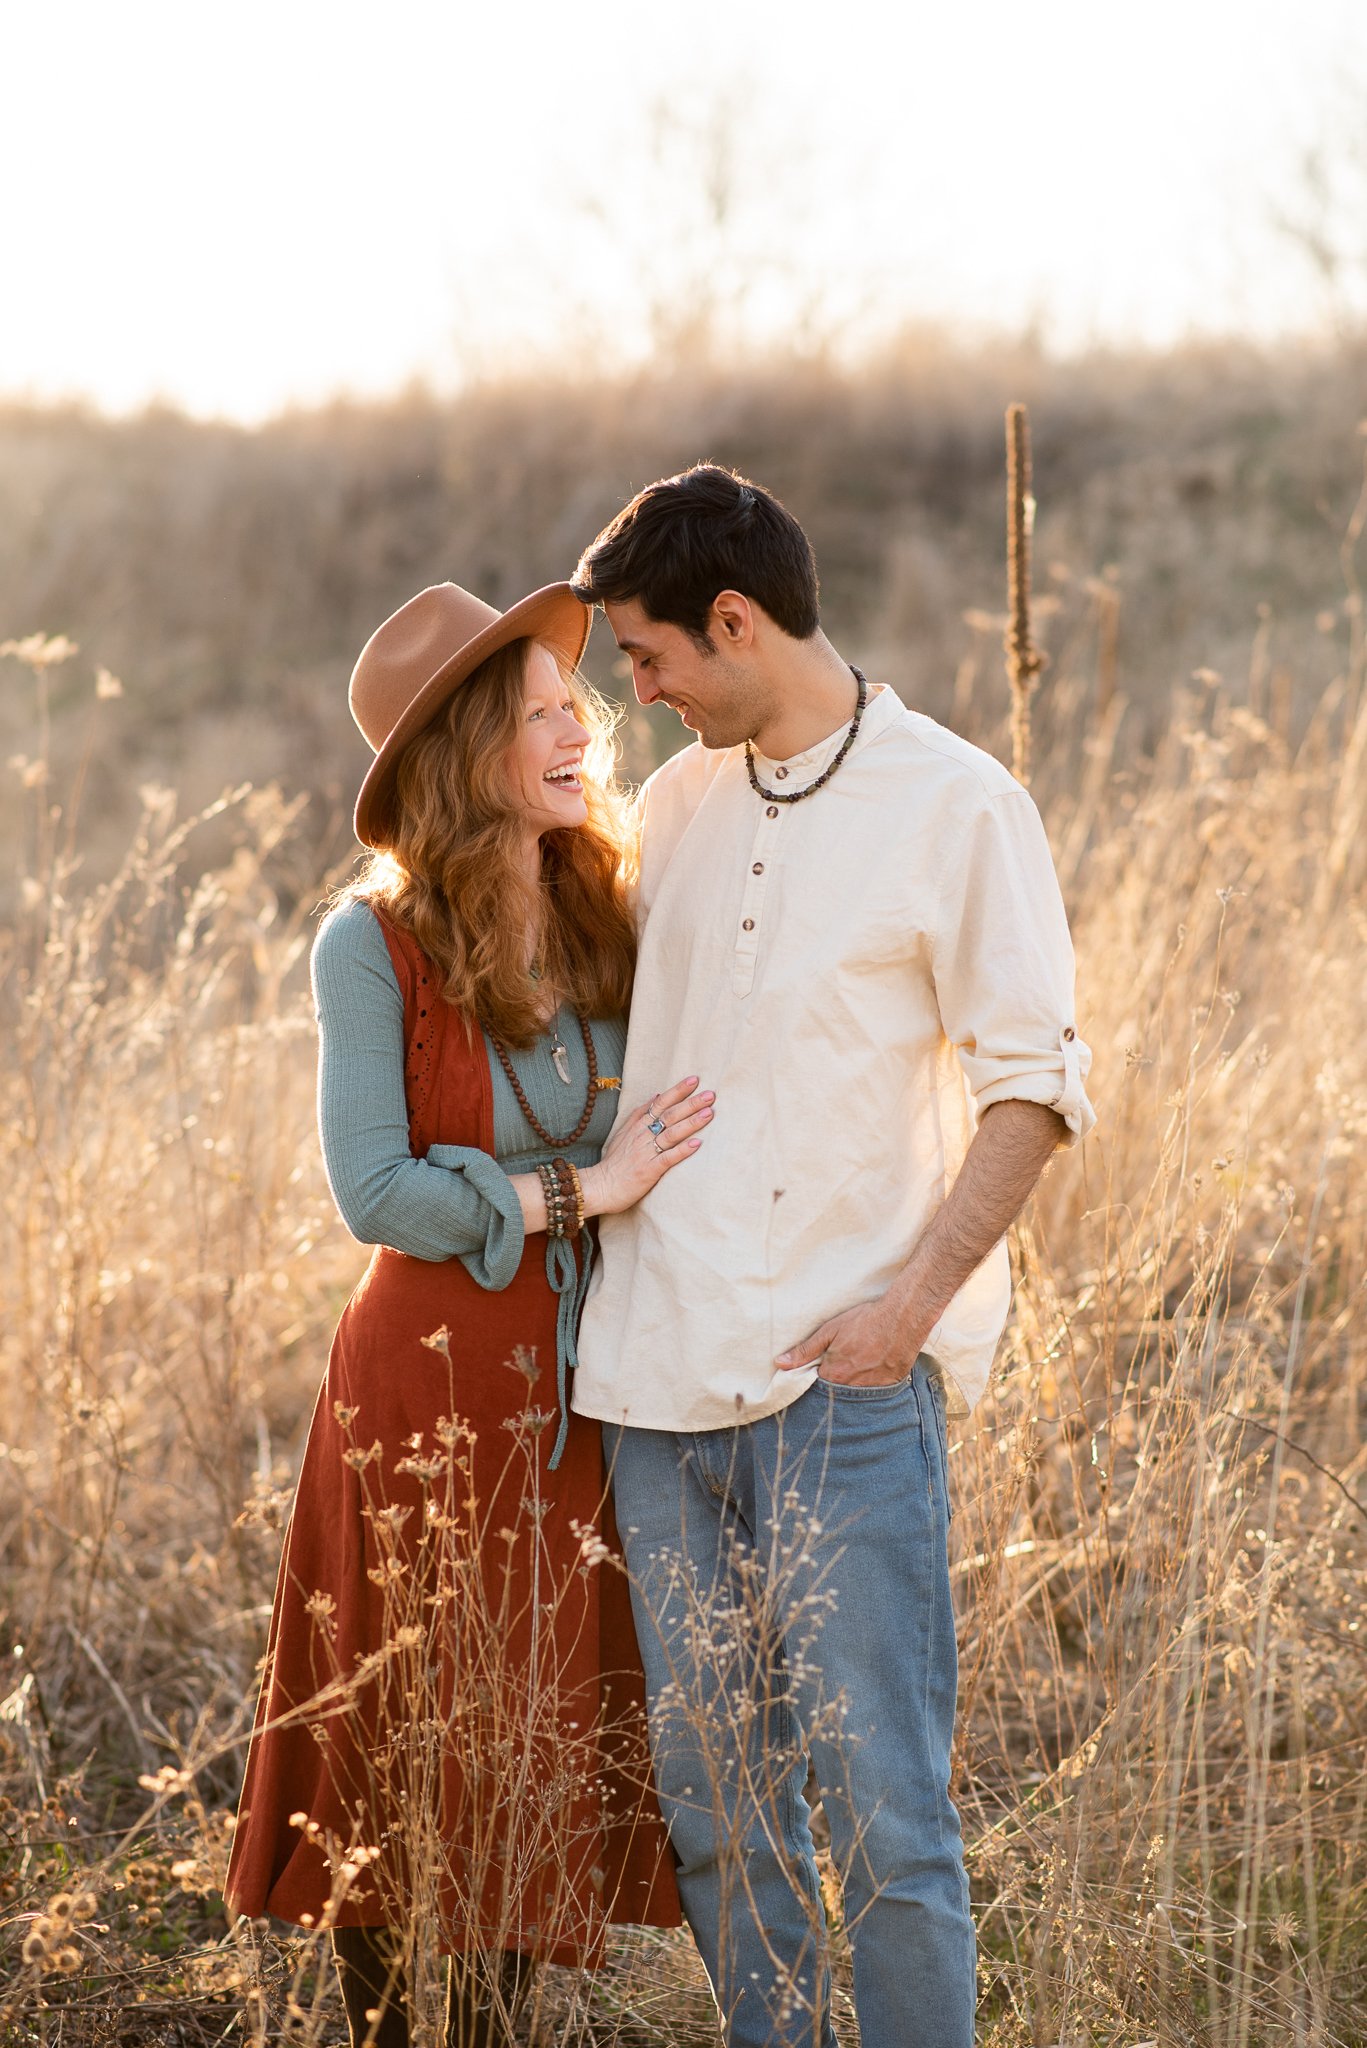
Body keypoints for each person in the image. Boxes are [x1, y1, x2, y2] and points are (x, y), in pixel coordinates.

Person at [567, 465, 1097, 2048]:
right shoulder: (675, 808)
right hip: (656, 1395)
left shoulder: (958, 805)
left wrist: (909, 1310)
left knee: (886, 1828)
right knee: (723, 1824)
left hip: (840, 1393)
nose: (639, 697)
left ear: (736, 622)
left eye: (652, 660)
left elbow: (1037, 1084)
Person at [225, 580, 709, 2047]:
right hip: (426, 1388)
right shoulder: (368, 949)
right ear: (463, 753)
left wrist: (526, 1185)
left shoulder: (607, 912)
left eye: (579, 704)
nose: (585, 727)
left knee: (518, 1740)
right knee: (408, 1741)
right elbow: (375, 1190)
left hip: (578, 1384)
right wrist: (582, 1190)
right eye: (543, 712)